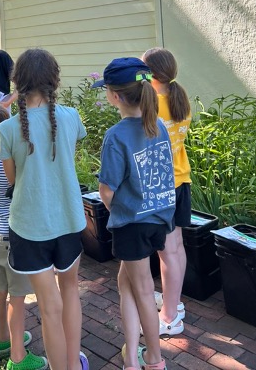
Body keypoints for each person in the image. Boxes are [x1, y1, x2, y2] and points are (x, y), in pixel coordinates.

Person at [0, 48, 89, 370]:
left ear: (18, 81)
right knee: (70, 293)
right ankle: (74, 365)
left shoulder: (6, 129)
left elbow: (13, 179)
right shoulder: (71, 118)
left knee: (49, 307)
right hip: (68, 218)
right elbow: (65, 162)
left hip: (29, 224)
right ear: (54, 79)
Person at [93, 57, 176, 370]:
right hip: (157, 220)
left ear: (115, 96)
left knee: (143, 291)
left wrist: (120, 212)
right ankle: (131, 356)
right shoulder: (159, 127)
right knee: (126, 282)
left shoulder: (116, 135)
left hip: (133, 223)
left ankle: (154, 360)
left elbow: (106, 191)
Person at [0, 102, 48, 370]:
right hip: (14, 240)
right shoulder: (8, 166)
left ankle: (3, 339)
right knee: (18, 299)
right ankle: (18, 358)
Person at [141, 48, 192, 336]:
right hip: (181, 181)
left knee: (167, 252)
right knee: (176, 247)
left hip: (163, 187)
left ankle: (170, 317)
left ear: (151, 74)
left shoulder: (154, 106)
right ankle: (176, 303)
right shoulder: (180, 100)